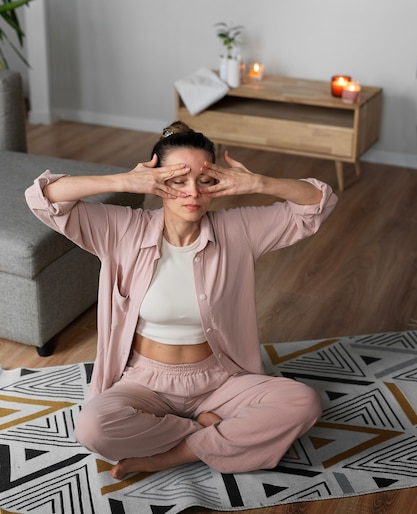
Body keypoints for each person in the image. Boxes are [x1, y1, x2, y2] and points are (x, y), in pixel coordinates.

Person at [25, 120, 338, 480]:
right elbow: (42, 198)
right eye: (177, 180)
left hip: (219, 380)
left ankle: (172, 455)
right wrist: (124, 181)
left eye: (204, 180)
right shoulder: (122, 229)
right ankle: (213, 434)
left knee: (304, 403)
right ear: (157, 182)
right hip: (142, 382)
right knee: (93, 429)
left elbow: (318, 202)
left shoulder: (238, 230)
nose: (192, 192)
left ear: (217, 182)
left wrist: (258, 184)